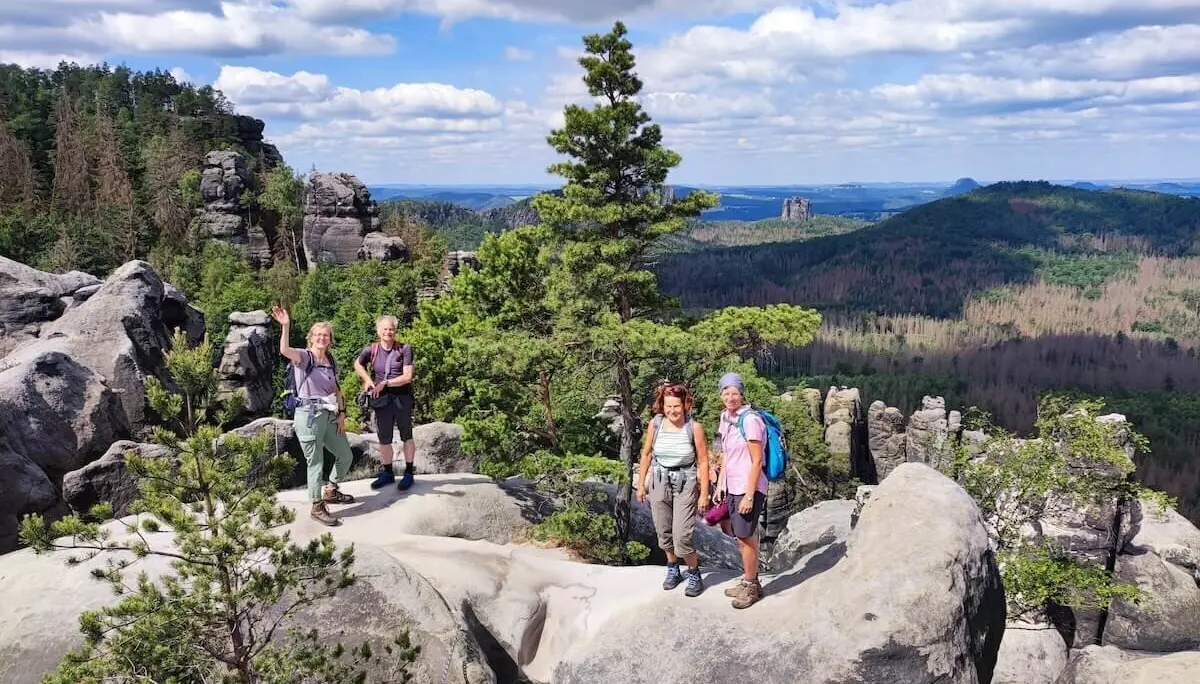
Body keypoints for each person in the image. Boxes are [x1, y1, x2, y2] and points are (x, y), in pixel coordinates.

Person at [270, 305, 355, 527]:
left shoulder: (331, 360)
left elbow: (337, 389)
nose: (322, 338)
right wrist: (286, 326)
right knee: (315, 461)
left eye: (325, 335)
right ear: (311, 338)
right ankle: (317, 506)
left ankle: (331, 490)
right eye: (318, 335)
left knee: (345, 455)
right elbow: (284, 351)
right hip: (308, 416)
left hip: (329, 416)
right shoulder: (304, 357)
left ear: (330, 339)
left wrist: (342, 413)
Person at [636, 382, 710, 597]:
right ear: (662, 406)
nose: (672, 411)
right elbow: (647, 453)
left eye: (676, 406)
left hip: (685, 481)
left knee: (682, 536)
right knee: (663, 529)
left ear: (685, 405)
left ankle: (694, 572)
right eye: (668, 406)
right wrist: (641, 484)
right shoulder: (656, 424)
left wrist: (703, 493)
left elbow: (703, 461)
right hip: (659, 480)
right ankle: (673, 569)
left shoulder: (693, 427)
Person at [714, 372, 767, 609]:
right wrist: (721, 483)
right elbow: (726, 453)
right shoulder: (726, 417)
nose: (730, 396)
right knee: (741, 536)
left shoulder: (750, 420)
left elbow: (757, 461)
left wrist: (748, 494)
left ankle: (751, 586)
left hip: (749, 487)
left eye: (734, 392)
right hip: (733, 485)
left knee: (745, 536)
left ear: (742, 394)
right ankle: (749, 581)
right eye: (726, 392)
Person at [353, 315, 416, 491]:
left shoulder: (405, 349)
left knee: (407, 435)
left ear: (395, 331)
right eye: (385, 329)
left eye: (391, 329)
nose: (388, 332)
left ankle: (409, 472)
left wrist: (386, 383)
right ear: (379, 331)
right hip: (381, 400)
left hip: (401, 397)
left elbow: (407, 377)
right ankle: (388, 473)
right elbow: (357, 364)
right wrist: (368, 380)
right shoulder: (371, 350)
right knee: (384, 438)